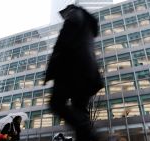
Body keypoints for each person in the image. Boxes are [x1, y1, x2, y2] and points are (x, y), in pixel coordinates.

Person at [44, 4, 103, 141]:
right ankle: (86, 135)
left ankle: (88, 133)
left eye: (64, 14)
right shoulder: (88, 26)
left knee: (56, 103)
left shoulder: (75, 13)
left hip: (70, 68)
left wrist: (51, 70)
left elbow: (62, 41)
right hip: (89, 73)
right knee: (80, 110)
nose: (64, 17)